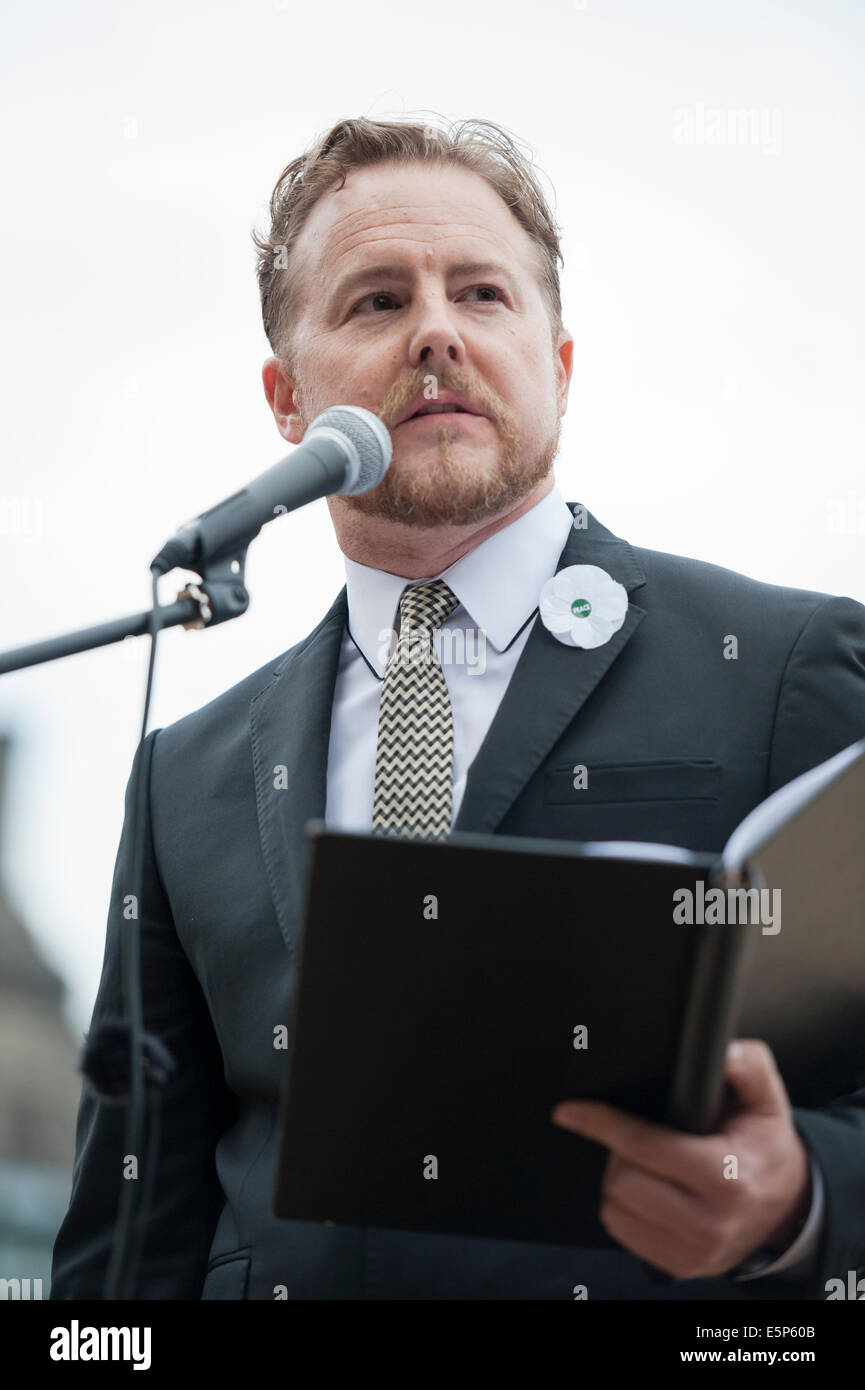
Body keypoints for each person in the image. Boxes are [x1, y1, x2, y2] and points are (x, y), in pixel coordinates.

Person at [51, 116, 865, 1300]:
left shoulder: (795, 665)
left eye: (480, 292)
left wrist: (799, 1199)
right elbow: (126, 1232)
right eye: (376, 302)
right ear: (288, 398)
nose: (434, 329)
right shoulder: (186, 772)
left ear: (562, 365)